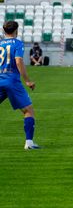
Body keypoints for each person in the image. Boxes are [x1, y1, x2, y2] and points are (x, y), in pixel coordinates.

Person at [0, 21, 40, 149]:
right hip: (11, 81)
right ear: (16, 31)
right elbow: (18, 61)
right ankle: (29, 143)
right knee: (28, 110)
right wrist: (27, 80)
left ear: (4, 31)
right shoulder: (17, 43)